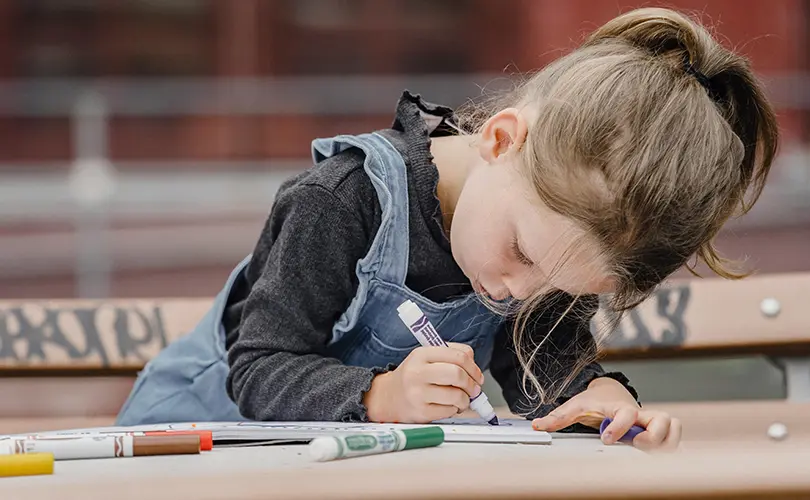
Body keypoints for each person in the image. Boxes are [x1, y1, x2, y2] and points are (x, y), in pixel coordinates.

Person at [115, 7, 778, 452]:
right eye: (521, 252)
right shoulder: (342, 200)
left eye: (558, 284)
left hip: (322, 467)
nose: (517, 292)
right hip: (187, 442)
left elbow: (538, 362)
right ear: (501, 137)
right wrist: (381, 395)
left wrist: (594, 397)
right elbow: (257, 368)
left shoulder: (552, 240)